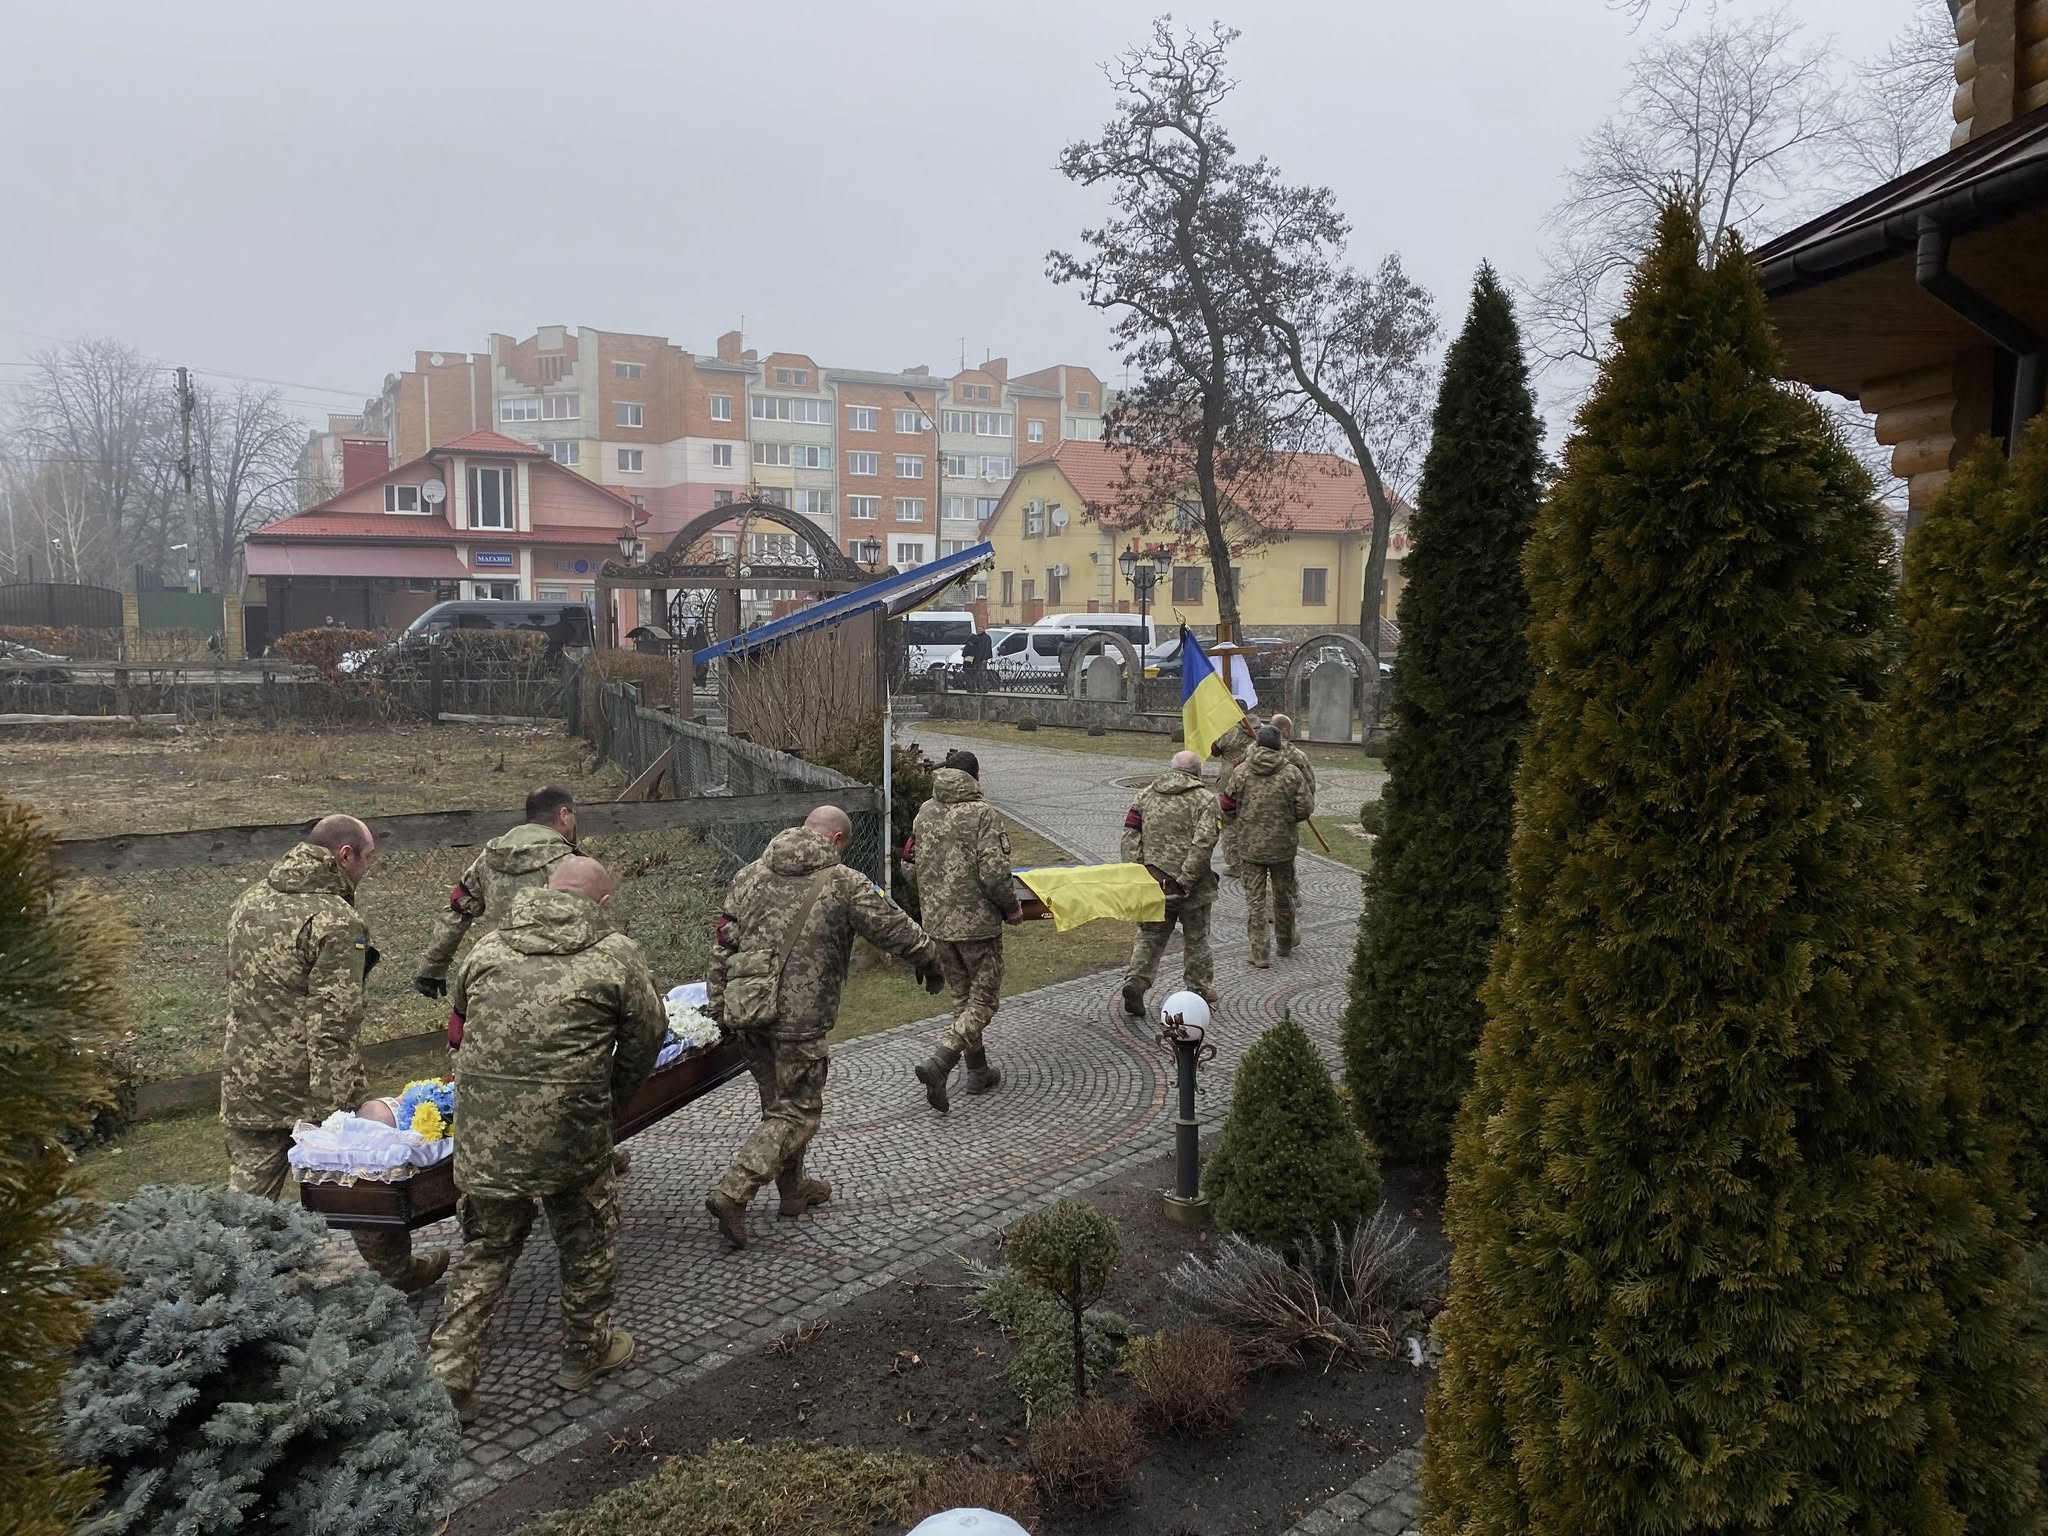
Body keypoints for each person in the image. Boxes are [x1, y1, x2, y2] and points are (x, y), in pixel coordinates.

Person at [426, 857, 664, 1423]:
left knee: (487, 1248)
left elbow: (460, 1024)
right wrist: (611, 1102)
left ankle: (449, 1373)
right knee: (586, 1239)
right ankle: (585, 1353)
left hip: (485, 1130)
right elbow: (648, 1035)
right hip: (570, 1129)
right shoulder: (616, 956)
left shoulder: (485, 949)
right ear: (601, 905)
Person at [221, 814, 446, 1294]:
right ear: (345, 856)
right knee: (359, 1179)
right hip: (310, 1083)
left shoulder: (250, 900)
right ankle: (397, 1274)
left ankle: (220, 1296)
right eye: (369, 858)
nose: (371, 868)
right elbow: (334, 1025)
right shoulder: (337, 921)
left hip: (246, 1078)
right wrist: (340, 1113)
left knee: (246, 1203)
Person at [705, 805, 940, 1248]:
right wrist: (929, 959)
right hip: (800, 1020)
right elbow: (894, 928)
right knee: (797, 1112)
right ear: (836, 840)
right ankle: (734, 1190)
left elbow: (723, 945)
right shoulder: (843, 883)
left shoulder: (748, 875)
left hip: (748, 1011)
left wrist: (720, 1006)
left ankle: (793, 1192)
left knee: (778, 1105)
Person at [903, 749, 1024, 1113]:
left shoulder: (925, 811)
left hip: (938, 924)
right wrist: (1012, 908)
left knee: (961, 998)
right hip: (977, 926)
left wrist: (935, 894)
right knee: (983, 1000)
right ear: (975, 776)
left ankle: (979, 1071)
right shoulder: (982, 814)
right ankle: (942, 1061)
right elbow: (993, 873)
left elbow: (909, 865)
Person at [414, 785, 579, 999]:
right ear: (564, 815)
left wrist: (432, 968)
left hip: (495, 975)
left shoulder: (488, 858)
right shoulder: (570, 864)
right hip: (557, 981)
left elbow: (458, 908)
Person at [1119, 749, 1220, 1019]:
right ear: (1197, 772)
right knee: (1196, 939)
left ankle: (1136, 982)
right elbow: (1204, 844)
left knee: (1150, 935)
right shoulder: (1206, 800)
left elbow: (1130, 835)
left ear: (1172, 768)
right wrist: (1185, 880)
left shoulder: (1144, 795)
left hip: (1153, 882)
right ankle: (1198, 990)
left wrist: (1138, 873)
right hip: (1193, 888)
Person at [1220, 726, 1316, 968]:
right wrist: (1286, 818)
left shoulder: (1241, 772)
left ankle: (1260, 953)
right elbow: (1305, 807)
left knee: (1256, 902)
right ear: (1278, 745)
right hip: (1283, 847)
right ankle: (1284, 942)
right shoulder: (1292, 773)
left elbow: (1227, 805)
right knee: (1283, 897)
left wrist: (1243, 820)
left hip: (1250, 848)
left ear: (1258, 744)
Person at [1209, 710, 1261, 879]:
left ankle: (1235, 864)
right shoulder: (1262, 731)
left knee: (1229, 824)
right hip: (1256, 783)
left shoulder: (1229, 732)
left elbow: (1215, 750)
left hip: (1230, 782)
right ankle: (1256, 860)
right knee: (1254, 821)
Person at [1269, 713, 1317, 794]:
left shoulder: (1253, 751)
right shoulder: (1297, 756)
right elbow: (1309, 786)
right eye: (1290, 729)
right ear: (1285, 731)